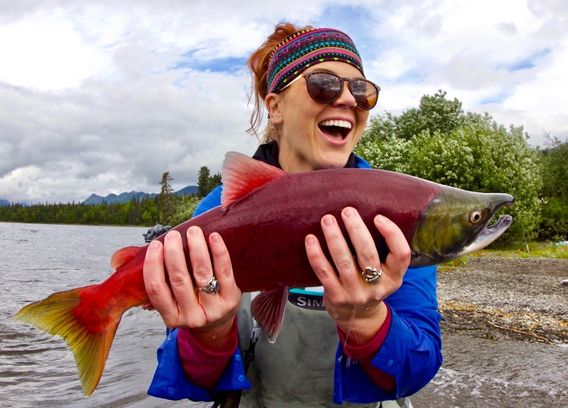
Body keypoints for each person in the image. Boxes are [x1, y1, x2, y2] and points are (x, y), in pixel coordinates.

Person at [142, 23, 442, 408]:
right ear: (276, 107)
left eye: (362, 90)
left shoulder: (397, 212)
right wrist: (211, 334)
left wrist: (367, 321)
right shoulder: (218, 213)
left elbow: (418, 367)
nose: (348, 99)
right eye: (324, 84)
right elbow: (194, 380)